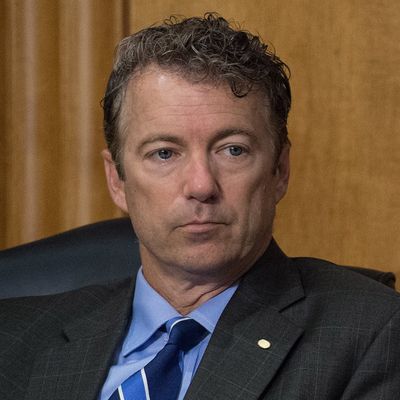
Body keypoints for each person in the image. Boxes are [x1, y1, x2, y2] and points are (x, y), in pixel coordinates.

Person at [1, 13, 400, 400]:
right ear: (117, 180)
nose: (201, 185)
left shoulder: (373, 334)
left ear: (279, 170)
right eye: (163, 153)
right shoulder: (12, 339)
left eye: (233, 150)